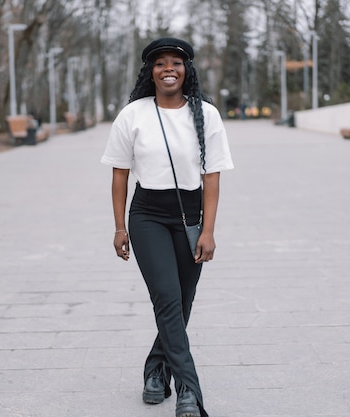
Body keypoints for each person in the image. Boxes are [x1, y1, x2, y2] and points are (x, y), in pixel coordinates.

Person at [100, 37, 233, 417]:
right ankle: (189, 390)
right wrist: (118, 227)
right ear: (151, 72)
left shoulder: (206, 114)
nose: (168, 68)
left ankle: (155, 370)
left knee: (182, 302)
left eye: (176, 62)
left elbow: (213, 176)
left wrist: (208, 230)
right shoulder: (133, 115)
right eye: (160, 63)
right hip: (147, 216)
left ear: (187, 69)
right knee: (168, 300)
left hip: (191, 217)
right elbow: (120, 174)